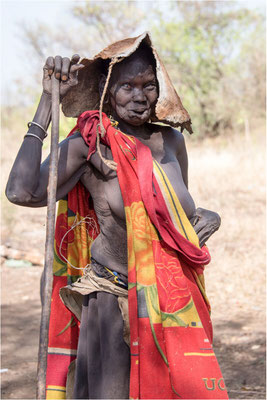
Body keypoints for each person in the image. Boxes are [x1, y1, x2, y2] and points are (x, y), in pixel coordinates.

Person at [6, 33, 228, 399]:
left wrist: (209, 218)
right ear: (108, 90)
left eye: (149, 86)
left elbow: (170, 212)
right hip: (113, 300)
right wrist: (47, 104)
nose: (139, 96)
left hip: (170, 301)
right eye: (127, 85)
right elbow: (22, 192)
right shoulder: (91, 144)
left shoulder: (172, 142)